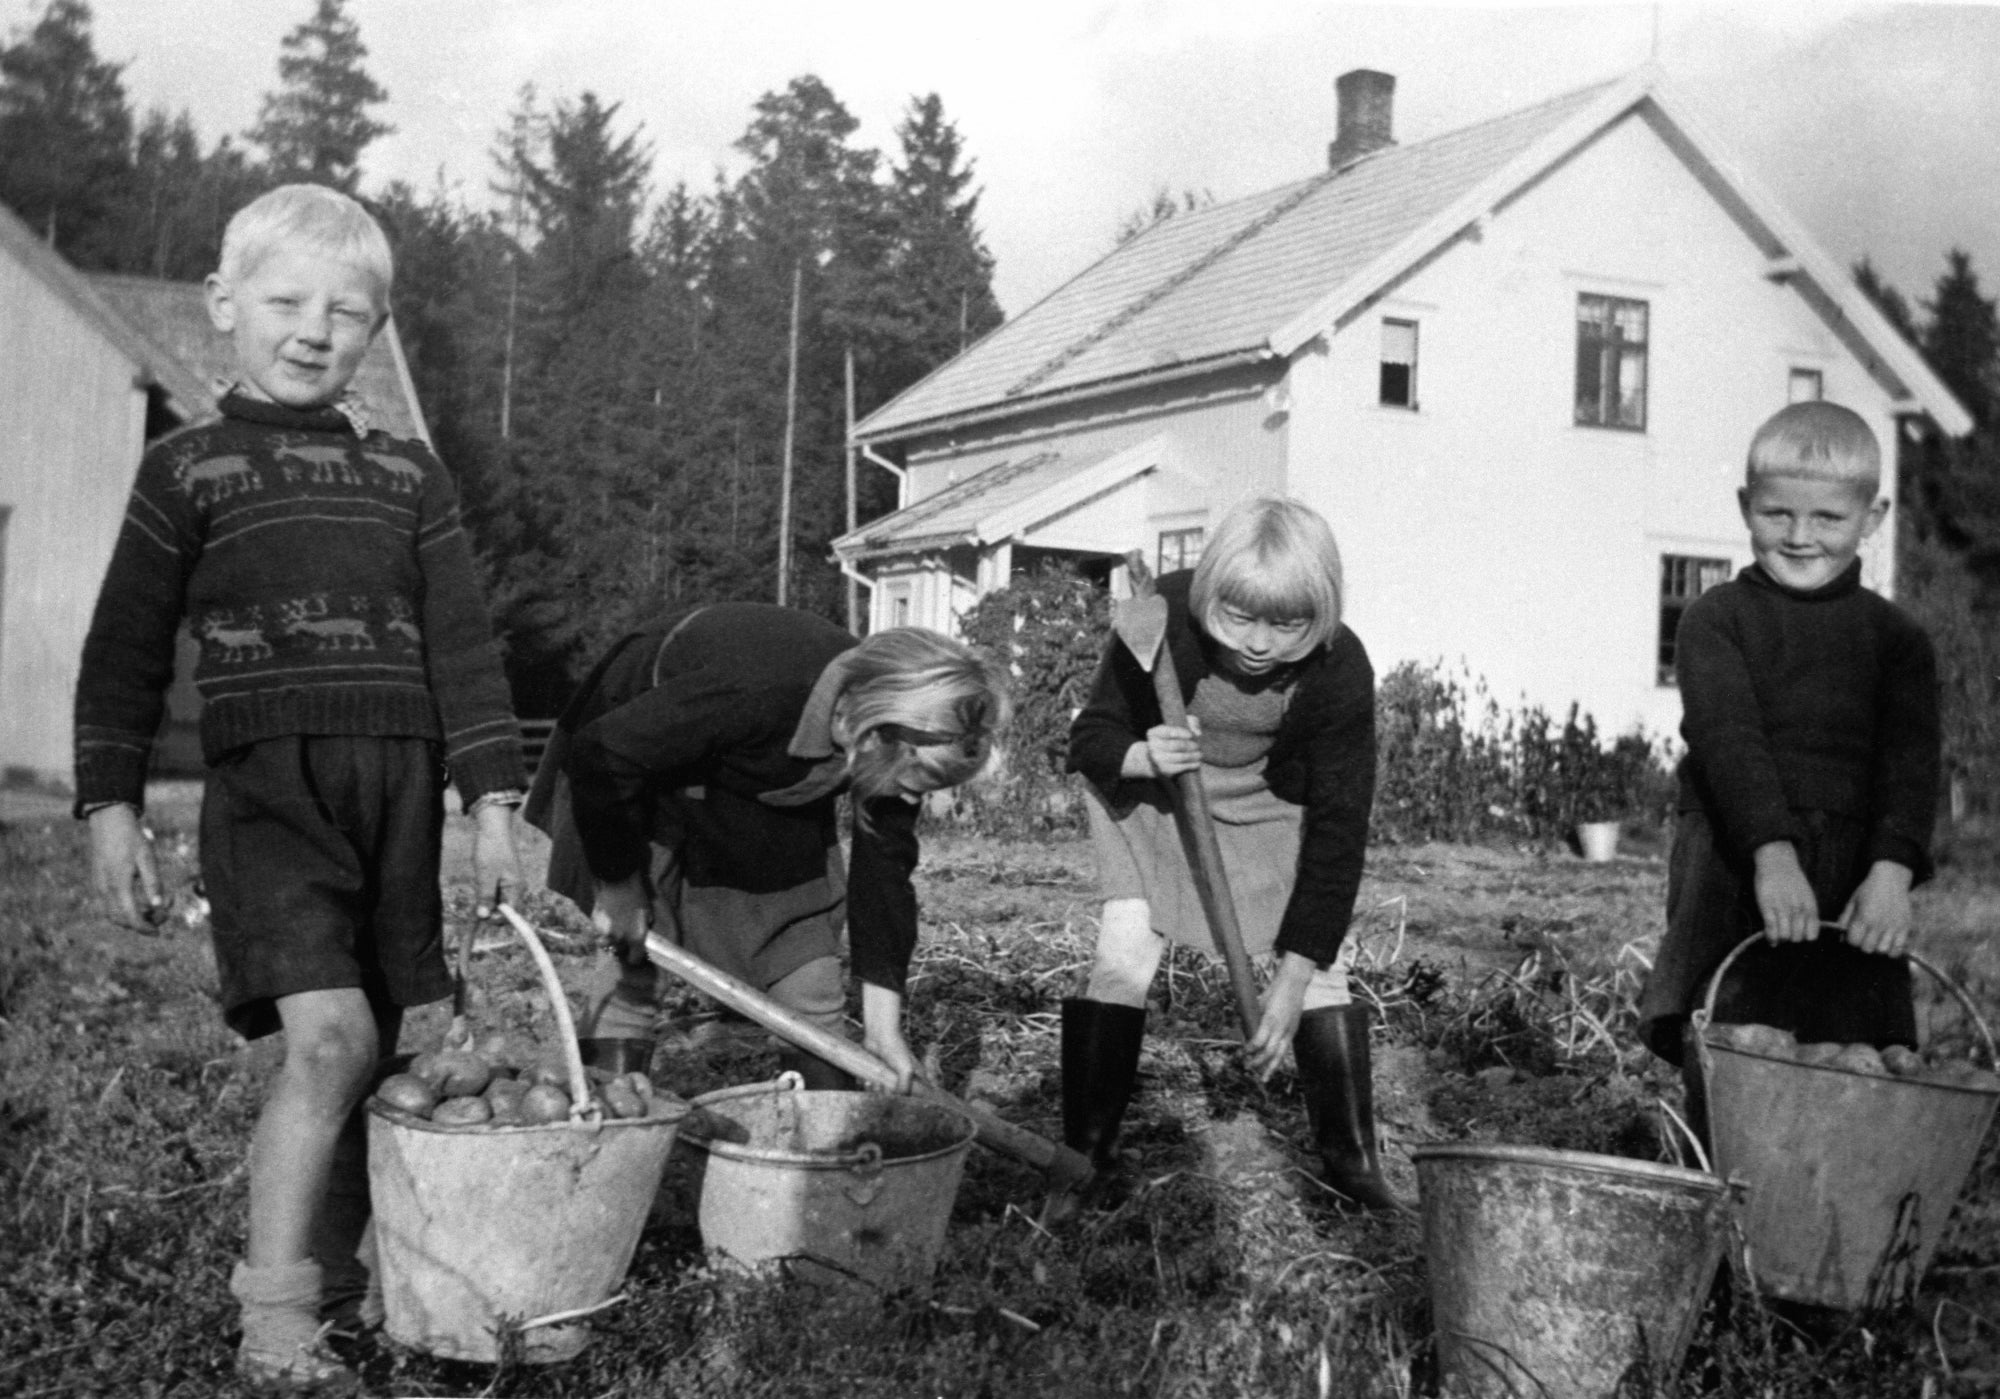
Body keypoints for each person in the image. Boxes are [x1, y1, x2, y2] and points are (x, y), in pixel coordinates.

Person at [73, 185, 526, 1394]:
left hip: (398, 790)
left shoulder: (409, 478)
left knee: (373, 1052)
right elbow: (123, 647)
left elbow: (466, 649)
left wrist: (491, 802)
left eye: (347, 310)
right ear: (224, 305)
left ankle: (338, 1288)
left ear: (376, 330)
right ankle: (273, 1323)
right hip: (271, 793)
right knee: (327, 1042)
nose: (314, 329)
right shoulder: (188, 468)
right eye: (285, 301)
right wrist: (108, 802)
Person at [1063, 496, 1397, 1212]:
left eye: (1287, 623)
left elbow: (1340, 830)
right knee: (1123, 951)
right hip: (1154, 795)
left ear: (1323, 612)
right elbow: (1090, 737)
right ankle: (1085, 1153)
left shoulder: (1340, 670)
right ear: (1211, 592)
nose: (1259, 642)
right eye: (1240, 616)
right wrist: (1142, 753)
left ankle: (1352, 1159)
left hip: (1265, 803)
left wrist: (1293, 971)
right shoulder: (1162, 615)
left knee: (1322, 977)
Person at [524, 611, 1009, 1093]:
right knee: (638, 957)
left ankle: (826, 1140)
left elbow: (883, 878)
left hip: (758, 769)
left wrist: (884, 1031)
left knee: (807, 969)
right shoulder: (759, 692)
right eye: (915, 784)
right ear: (879, 734)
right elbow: (604, 753)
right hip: (631, 758)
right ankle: (609, 1123)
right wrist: (619, 885)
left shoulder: (885, 734)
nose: (910, 800)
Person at [1636, 400, 1940, 1127]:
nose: (1801, 537)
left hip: (1853, 871)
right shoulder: (1717, 620)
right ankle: (1723, 1199)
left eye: (1828, 519)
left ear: (1873, 515)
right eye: (1778, 514)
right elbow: (1729, 741)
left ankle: (1832, 1216)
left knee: (1854, 1063)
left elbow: (1911, 762)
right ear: (1746, 506)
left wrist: (1892, 872)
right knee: (1739, 1042)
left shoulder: (1896, 639)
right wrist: (1772, 857)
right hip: (1740, 863)